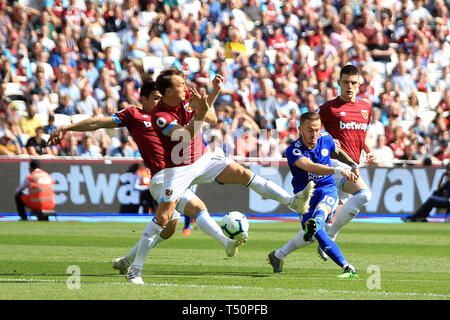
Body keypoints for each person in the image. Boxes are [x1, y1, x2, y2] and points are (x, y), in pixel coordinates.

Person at [48, 80, 257, 284]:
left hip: (179, 174)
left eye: (162, 98)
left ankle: (126, 261)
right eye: (155, 98)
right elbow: (98, 122)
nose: (159, 102)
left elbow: (206, 117)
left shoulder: (171, 114)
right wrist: (67, 128)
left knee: (168, 230)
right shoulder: (134, 115)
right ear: (144, 99)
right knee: (194, 208)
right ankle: (224, 243)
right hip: (162, 176)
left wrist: (210, 95)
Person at [125, 68, 314, 284]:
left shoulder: (187, 96)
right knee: (163, 218)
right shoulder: (159, 116)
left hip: (203, 159)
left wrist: (213, 93)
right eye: (181, 84)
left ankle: (294, 202)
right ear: (168, 91)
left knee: (243, 173)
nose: (186, 86)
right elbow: (186, 136)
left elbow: (212, 118)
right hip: (177, 169)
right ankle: (135, 269)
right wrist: (200, 110)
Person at [267, 112, 359, 278]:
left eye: (317, 129)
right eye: (310, 130)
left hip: (327, 188)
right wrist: (338, 169)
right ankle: (278, 255)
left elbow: (336, 152)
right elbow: (310, 167)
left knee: (318, 219)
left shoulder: (325, 138)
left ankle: (346, 266)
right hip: (305, 197)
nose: (314, 134)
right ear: (300, 129)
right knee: (316, 232)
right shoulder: (293, 150)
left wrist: (353, 163)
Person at [317, 64, 375, 260]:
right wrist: (325, 138)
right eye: (345, 82)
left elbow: (362, 136)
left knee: (330, 219)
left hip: (354, 165)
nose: (349, 86)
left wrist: (370, 152)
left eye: (353, 83)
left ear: (359, 84)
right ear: (338, 83)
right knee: (364, 194)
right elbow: (310, 130)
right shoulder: (328, 108)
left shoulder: (366, 108)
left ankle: (280, 254)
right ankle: (331, 237)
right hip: (335, 166)